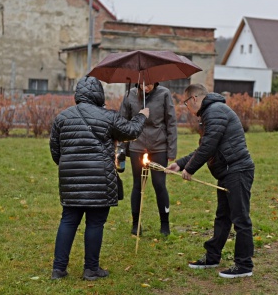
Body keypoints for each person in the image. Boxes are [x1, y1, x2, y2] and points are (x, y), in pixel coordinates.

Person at [49, 76, 149, 280]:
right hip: (100, 179)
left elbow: (55, 152)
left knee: (68, 220)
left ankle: (58, 269)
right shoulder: (108, 117)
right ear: (98, 94)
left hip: (71, 180)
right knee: (95, 223)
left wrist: (71, 167)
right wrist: (141, 116)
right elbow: (130, 132)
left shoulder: (62, 118)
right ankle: (91, 269)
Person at [167, 83, 255, 279]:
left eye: (186, 102)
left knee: (240, 219)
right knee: (222, 217)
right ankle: (212, 257)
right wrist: (181, 164)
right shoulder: (212, 112)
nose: (186, 107)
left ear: (195, 99)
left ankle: (244, 265)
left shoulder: (214, 112)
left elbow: (208, 146)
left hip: (237, 170)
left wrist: (190, 169)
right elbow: (205, 147)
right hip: (228, 172)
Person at [118, 82, 177, 236]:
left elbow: (171, 122)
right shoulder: (129, 95)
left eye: (150, 84)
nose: (147, 87)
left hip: (159, 146)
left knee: (159, 184)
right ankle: (136, 223)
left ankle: (165, 224)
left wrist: (171, 149)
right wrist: (121, 149)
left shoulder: (164, 94)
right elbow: (122, 123)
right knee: (138, 184)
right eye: (144, 84)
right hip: (137, 145)